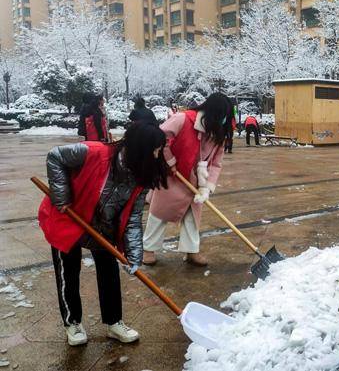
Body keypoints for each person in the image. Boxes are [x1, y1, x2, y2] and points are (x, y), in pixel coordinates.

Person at [38, 123, 168, 346]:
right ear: (140, 149)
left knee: (109, 271)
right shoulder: (95, 152)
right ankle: (73, 323)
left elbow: (133, 218)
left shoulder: (141, 176)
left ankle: (114, 322)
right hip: (68, 217)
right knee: (68, 272)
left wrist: (134, 255)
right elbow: (55, 155)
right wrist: (61, 195)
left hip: (102, 226)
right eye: (155, 150)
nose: (158, 156)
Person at [143, 93, 232, 267]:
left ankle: (191, 251)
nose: (224, 121)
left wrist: (207, 188)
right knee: (159, 212)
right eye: (222, 116)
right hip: (173, 175)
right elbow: (159, 138)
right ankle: (148, 249)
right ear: (213, 112)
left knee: (192, 216)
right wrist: (170, 162)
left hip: (197, 180)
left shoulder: (219, 133)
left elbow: (215, 164)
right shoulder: (183, 119)